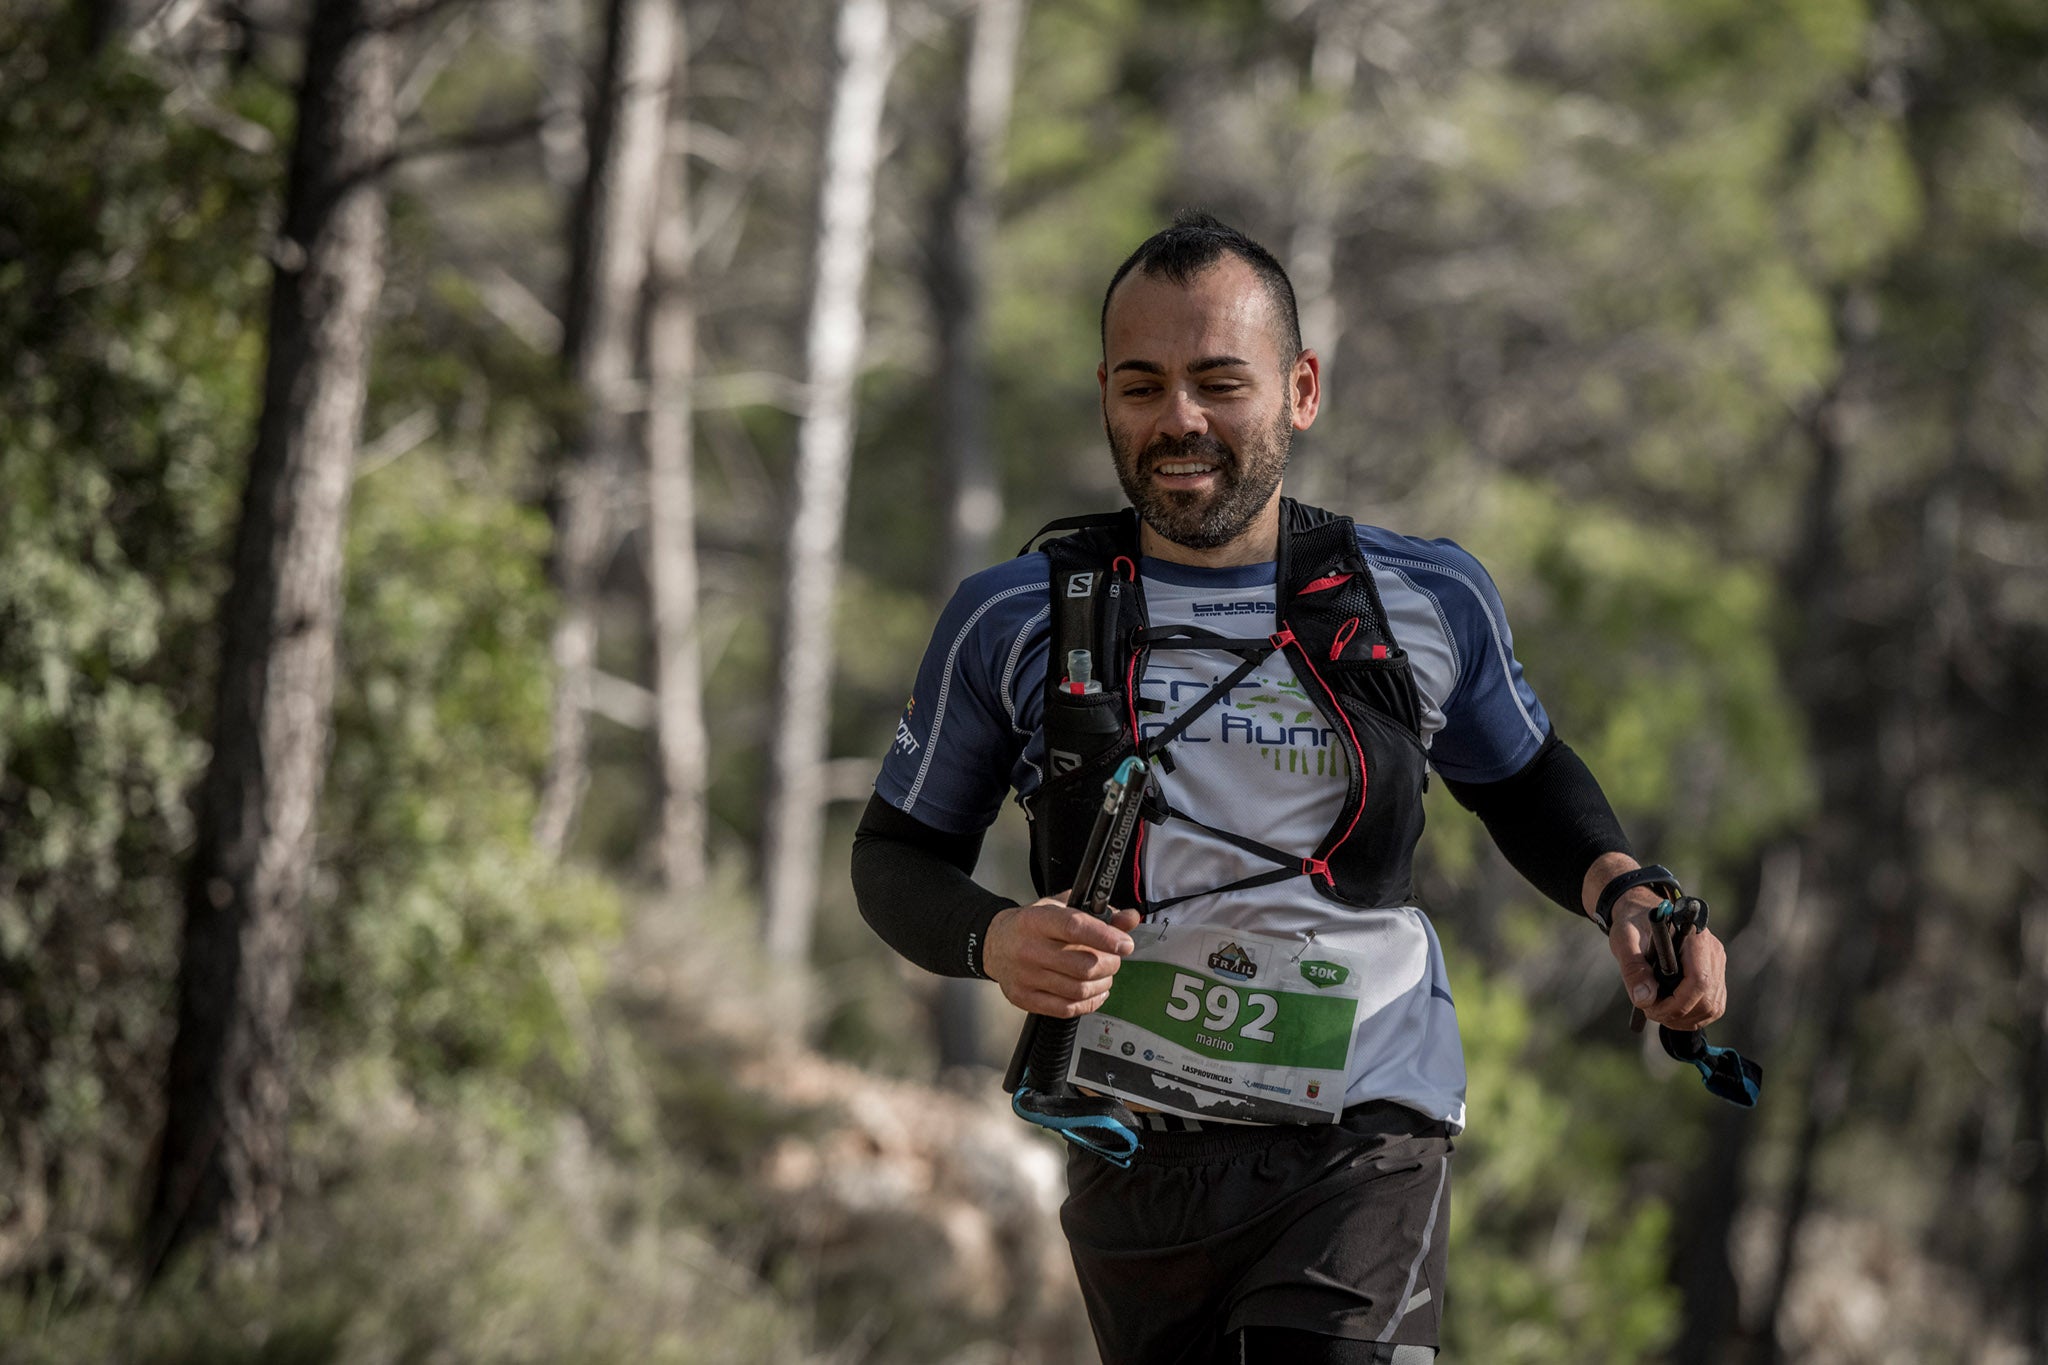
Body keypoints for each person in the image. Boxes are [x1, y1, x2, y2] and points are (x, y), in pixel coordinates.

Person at [850, 211, 1729, 1365]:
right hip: (1134, 1146)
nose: (1180, 420)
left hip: (1366, 1115)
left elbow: (1518, 775)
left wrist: (1627, 893)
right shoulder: (1015, 614)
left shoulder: (1422, 596)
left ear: (1300, 389)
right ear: (1102, 396)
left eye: (1221, 382)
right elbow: (892, 857)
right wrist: (994, 939)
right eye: (1141, 385)